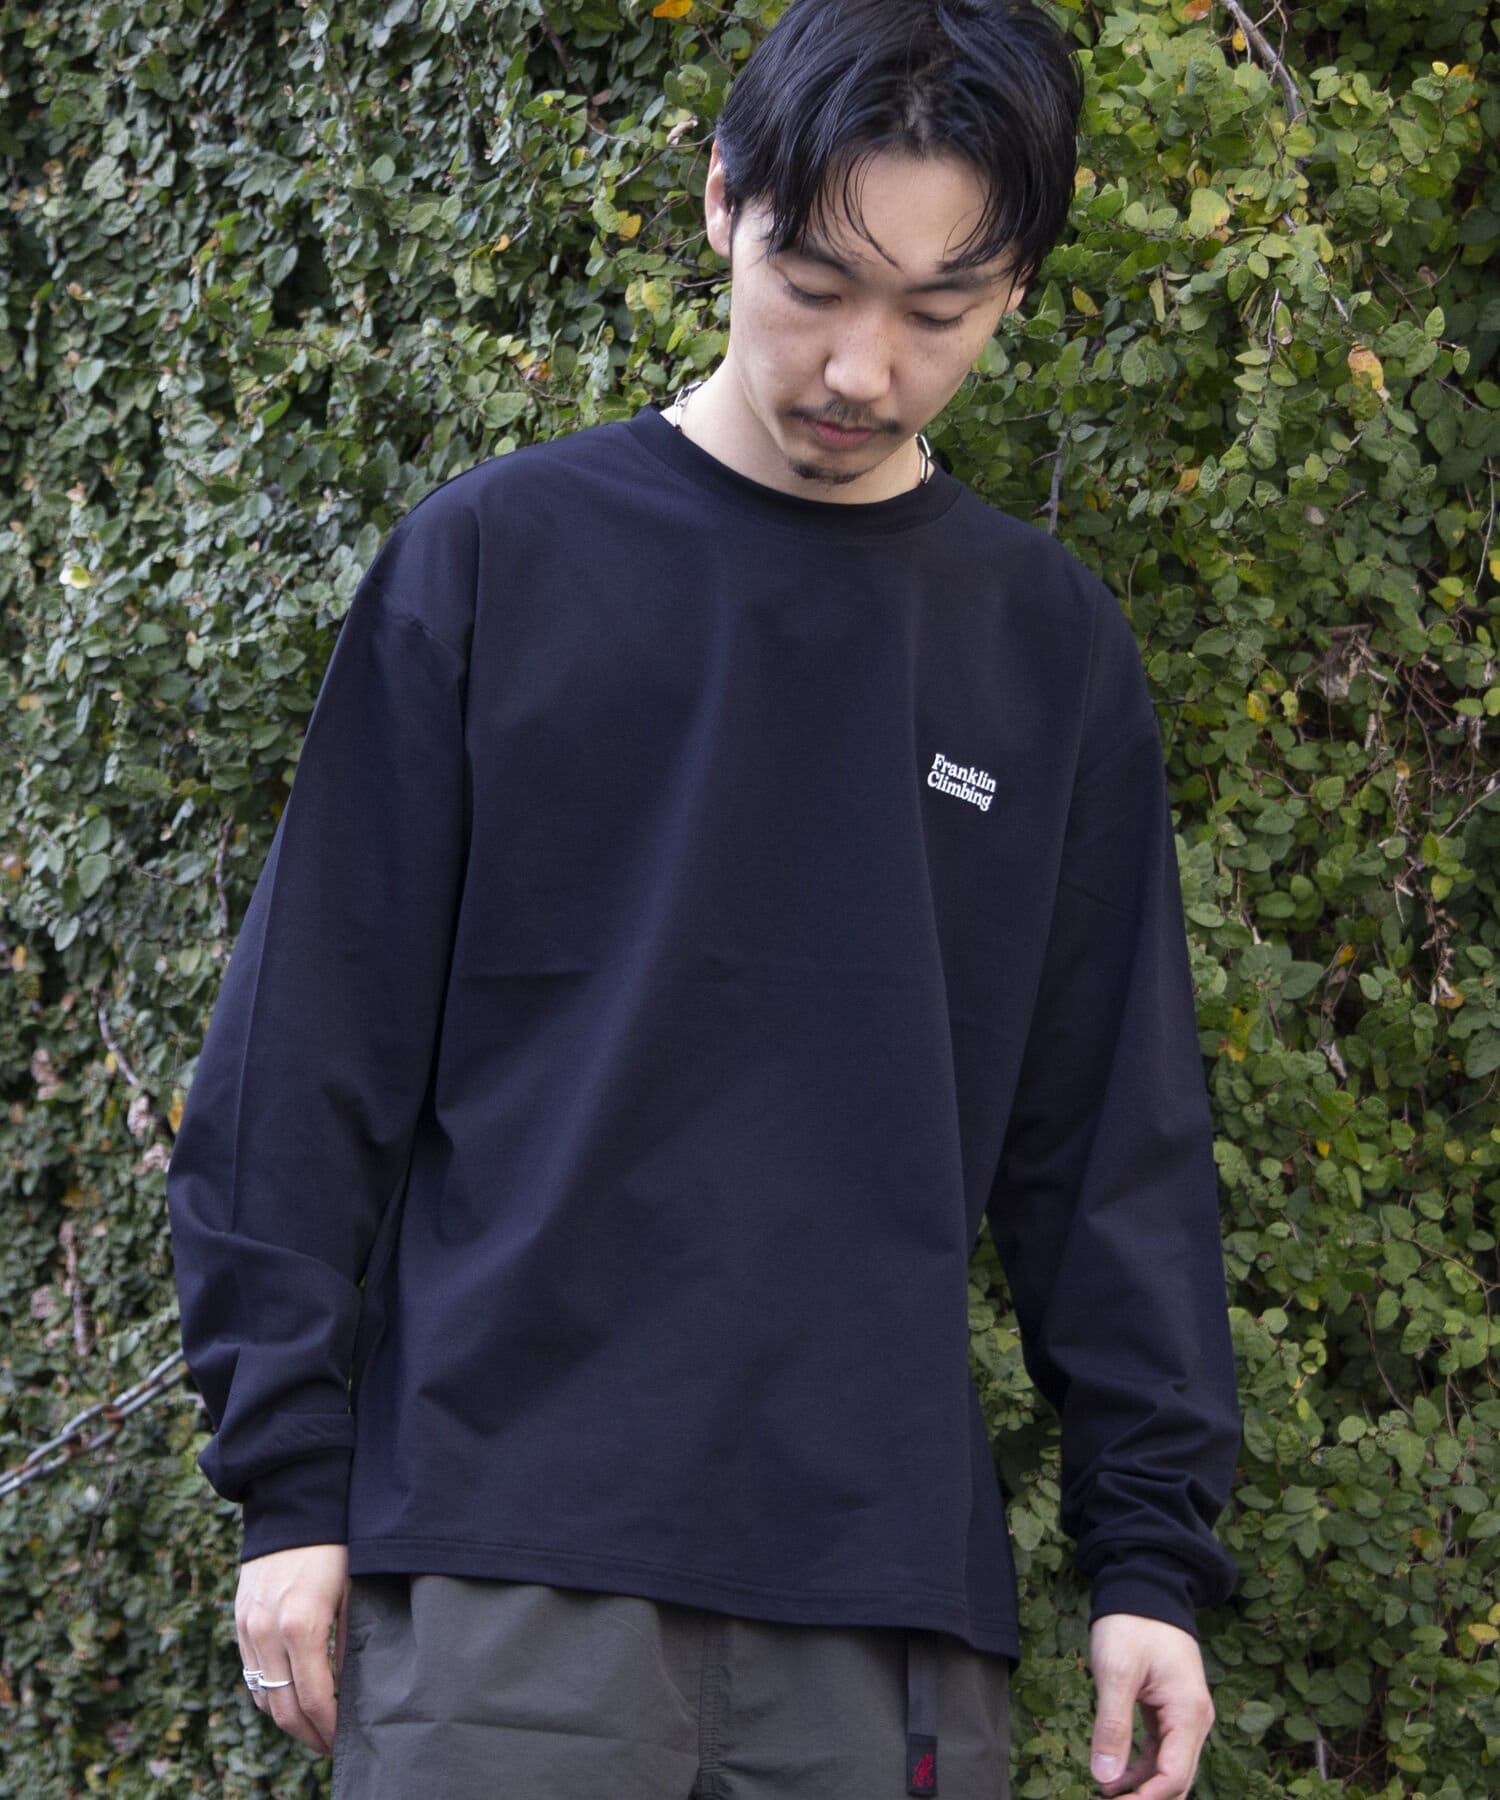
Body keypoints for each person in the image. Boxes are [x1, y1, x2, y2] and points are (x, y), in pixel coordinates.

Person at [165, 2, 1242, 1796]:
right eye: (816, 285)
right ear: (725, 202)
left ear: (1016, 292)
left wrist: (1150, 1563)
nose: (860, 368)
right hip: (506, 1564)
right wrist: (286, 1482)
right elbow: (305, 1056)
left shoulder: (1043, 649)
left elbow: (1112, 1149)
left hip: (885, 1612)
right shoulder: (497, 560)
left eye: (938, 314)